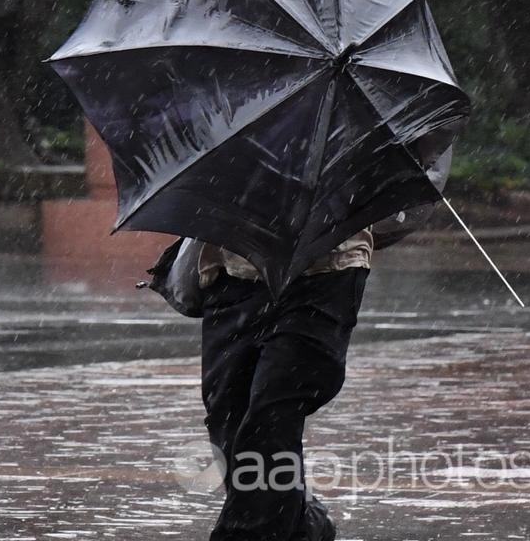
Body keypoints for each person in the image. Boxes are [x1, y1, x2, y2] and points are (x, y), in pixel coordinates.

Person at [149, 232, 372, 541]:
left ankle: (244, 534)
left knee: (272, 412)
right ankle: (300, 521)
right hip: (232, 275)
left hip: (324, 276)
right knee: (227, 416)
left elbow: (392, 210)